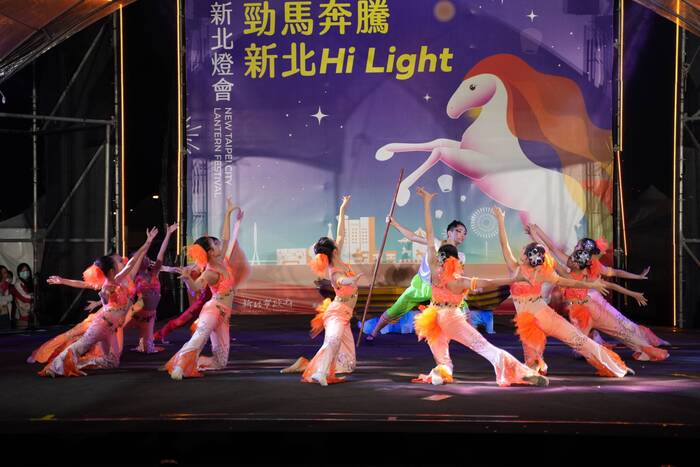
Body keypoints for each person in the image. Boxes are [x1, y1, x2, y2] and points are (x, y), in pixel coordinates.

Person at [410, 188, 548, 386]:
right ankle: (519, 372)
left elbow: (430, 233)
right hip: (450, 319)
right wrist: (513, 279)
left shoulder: (433, 268)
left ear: (439, 257)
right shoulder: (458, 280)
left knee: (443, 360)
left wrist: (426, 202)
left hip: (432, 318)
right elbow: (488, 282)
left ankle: (442, 372)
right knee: (484, 347)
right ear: (455, 260)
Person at [493, 207, 633, 378]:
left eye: (524, 249)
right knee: (558, 349)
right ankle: (535, 368)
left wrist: (501, 221)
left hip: (541, 317)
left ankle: (615, 365)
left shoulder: (519, 269)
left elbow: (504, 244)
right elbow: (567, 281)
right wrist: (589, 283)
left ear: (525, 257)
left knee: (581, 341)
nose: (521, 249)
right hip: (533, 321)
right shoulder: (533, 271)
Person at [530, 225, 669, 361]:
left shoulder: (569, 275)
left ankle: (608, 349)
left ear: (578, 263)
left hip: (582, 311)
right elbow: (611, 284)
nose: (571, 257)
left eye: (573, 256)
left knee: (589, 344)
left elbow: (550, 256)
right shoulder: (585, 274)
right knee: (621, 332)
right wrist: (633, 294)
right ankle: (645, 349)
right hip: (591, 308)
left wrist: (535, 235)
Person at [39, 229, 157, 377]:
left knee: (113, 362)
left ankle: (78, 363)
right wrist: (103, 297)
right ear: (112, 270)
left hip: (112, 327)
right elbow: (85, 285)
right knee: (80, 346)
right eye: (119, 262)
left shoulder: (120, 278)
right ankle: (53, 368)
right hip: (102, 324)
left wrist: (148, 242)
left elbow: (133, 262)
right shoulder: (107, 285)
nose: (123, 261)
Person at [281, 196, 362, 385]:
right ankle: (320, 372)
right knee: (332, 341)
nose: (338, 242)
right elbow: (340, 280)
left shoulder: (337, 256)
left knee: (347, 365)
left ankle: (305, 364)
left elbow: (341, 232)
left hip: (346, 314)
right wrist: (351, 280)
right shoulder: (334, 271)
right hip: (337, 313)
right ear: (333, 251)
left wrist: (343, 209)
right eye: (335, 243)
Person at [165, 199, 245, 380]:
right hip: (213, 311)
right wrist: (187, 279)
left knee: (220, 362)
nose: (219, 244)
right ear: (209, 252)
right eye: (215, 244)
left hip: (224, 315)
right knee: (198, 339)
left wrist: (228, 214)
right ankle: (180, 366)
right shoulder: (209, 272)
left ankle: (191, 362)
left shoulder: (222, 261)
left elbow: (226, 238)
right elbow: (196, 288)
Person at [365, 216, 467, 342]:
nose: (462, 235)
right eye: (458, 231)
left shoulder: (461, 257)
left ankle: (463, 339)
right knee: (394, 311)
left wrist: (469, 285)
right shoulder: (435, 243)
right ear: (449, 233)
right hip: (420, 286)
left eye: (464, 233)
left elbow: (458, 277)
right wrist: (394, 224)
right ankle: (374, 332)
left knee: (461, 308)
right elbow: (412, 237)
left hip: (439, 291)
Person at [125, 223, 178, 353]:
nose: (147, 258)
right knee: (115, 328)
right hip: (136, 313)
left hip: (150, 314)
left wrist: (168, 234)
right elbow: (138, 258)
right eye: (144, 257)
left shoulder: (154, 273)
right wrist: (148, 242)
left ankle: (142, 341)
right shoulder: (134, 276)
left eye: (147, 257)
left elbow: (161, 253)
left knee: (147, 349)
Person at [12, 263, 34, 329]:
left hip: (32, 315)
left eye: (27, 270)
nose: (25, 272)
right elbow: (24, 297)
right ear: (19, 273)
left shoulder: (31, 282)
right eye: (23, 271)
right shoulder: (18, 283)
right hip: (23, 316)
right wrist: (34, 297)